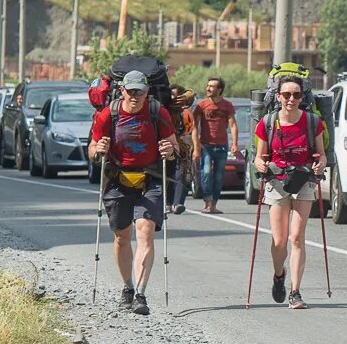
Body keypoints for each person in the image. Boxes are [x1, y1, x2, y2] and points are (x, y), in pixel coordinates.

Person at [88, 70, 177, 316]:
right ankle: (127, 286)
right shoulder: (110, 114)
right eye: (131, 91)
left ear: (147, 92)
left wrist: (169, 150)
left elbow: (175, 146)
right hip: (118, 179)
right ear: (122, 90)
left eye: (140, 91)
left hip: (151, 179)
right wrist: (99, 149)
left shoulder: (157, 113)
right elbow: (92, 149)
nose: (135, 96)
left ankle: (140, 293)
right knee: (122, 238)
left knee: (145, 233)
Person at [253, 76, 326, 310]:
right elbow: (258, 156)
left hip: (304, 180)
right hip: (277, 181)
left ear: (302, 98)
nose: (291, 99)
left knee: (296, 237)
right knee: (279, 241)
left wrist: (320, 164)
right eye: (286, 95)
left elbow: (322, 154)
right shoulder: (267, 122)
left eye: (296, 95)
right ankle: (278, 275)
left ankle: (295, 292)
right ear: (278, 97)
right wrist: (260, 165)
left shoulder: (313, 122)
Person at [191, 77, 238, 215]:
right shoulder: (201, 105)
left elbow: (233, 124)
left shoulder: (227, 105)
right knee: (206, 173)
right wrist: (196, 147)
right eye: (207, 86)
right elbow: (194, 127)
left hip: (222, 146)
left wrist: (234, 144)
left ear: (219, 90)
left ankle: (214, 204)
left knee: (218, 177)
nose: (208, 89)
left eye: (211, 86)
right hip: (206, 146)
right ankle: (207, 202)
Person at [167, 85, 196, 215]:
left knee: (181, 173)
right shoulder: (162, 107)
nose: (173, 98)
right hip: (164, 143)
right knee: (166, 174)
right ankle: (167, 203)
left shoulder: (184, 111)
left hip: (181, 143)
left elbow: (191, 94)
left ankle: (178, 203)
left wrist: (196, 147)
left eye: (175, 95)